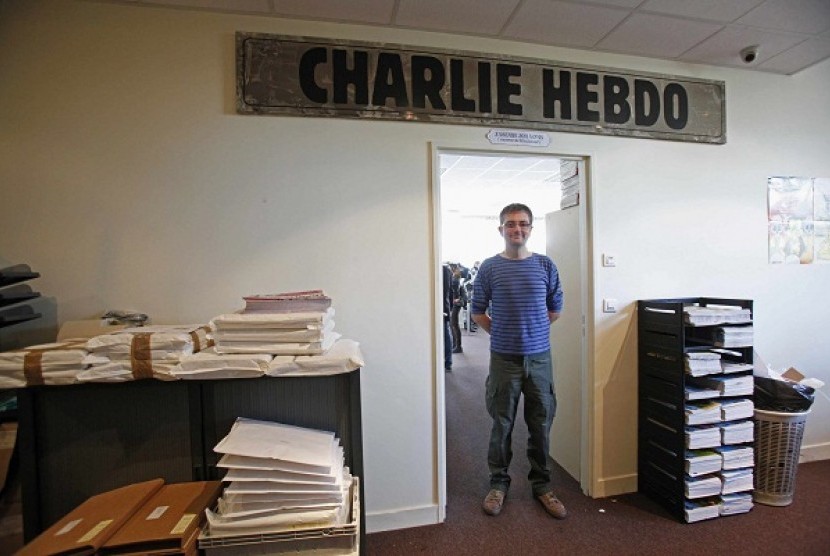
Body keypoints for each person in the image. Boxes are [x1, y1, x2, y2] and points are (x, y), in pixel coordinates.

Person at [471, 203, 566, 519]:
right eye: (510, 224)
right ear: (501, 230)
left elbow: (555, 308)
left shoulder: (545, 265)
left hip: (539, 360)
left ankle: (542, 486)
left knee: (541, 424)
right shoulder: (489, 268)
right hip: (504, 360)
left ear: (530, 228)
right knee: (502, 424)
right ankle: (498, 484)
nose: (517, 230)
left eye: (523, 224)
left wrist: (532, 331)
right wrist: (503, 332)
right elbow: (477, 311)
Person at [450, 264, 466, 353]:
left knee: (454, 325)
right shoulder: (457, 278)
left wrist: (453, 300)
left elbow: (455, 294)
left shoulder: (455, 279)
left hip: (455, 304)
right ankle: (456, 345)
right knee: (454, 325)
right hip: (457, 303)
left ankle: (457, 346)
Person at [442, 263, 453, 371]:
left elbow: (446, 292)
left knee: (445, 334)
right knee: (446, 334)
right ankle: (447, 361)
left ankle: (447, 362)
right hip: (445, 307)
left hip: (442, 308)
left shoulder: (443, 270)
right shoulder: (446, 270)